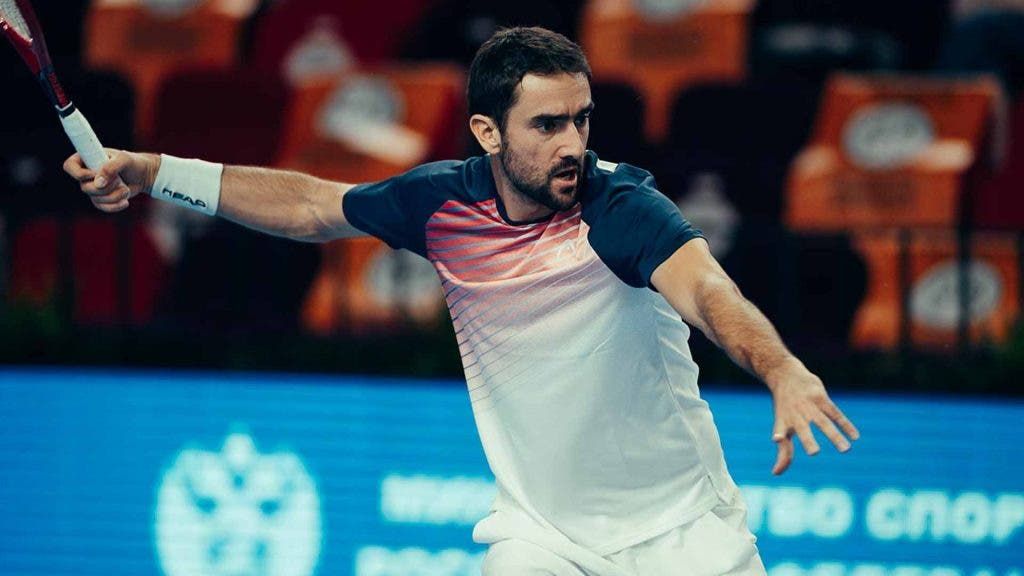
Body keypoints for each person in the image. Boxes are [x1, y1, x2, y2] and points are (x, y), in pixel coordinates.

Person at [65, 26, 859, 576]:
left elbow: (709, 291)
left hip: (682, 531)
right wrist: (153, 170)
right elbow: (310, 205)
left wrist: (781, 369)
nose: (572, 144)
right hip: (543, 536)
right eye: (547, 125)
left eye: (581, 120)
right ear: (486, 131)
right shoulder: (442, 206)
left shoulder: (622, 210)